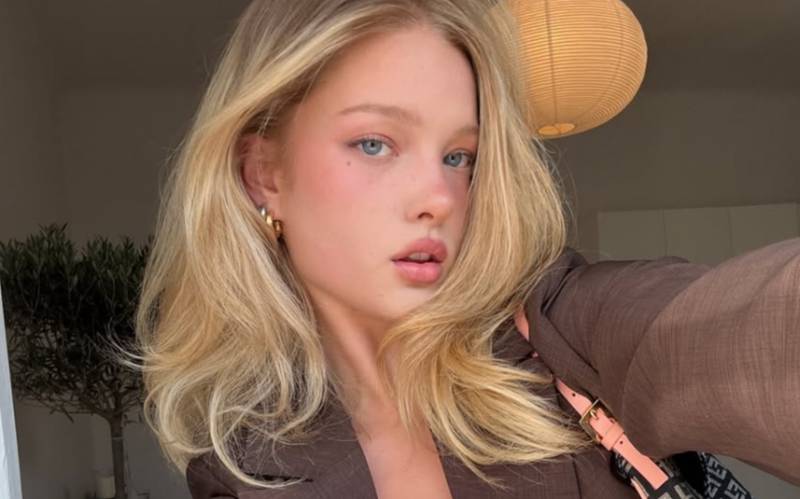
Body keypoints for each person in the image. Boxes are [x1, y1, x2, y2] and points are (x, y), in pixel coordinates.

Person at [131, 0, 800, 497]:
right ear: (265, 175)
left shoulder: (558, 328)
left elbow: (736, 329)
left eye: (459, 155)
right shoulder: (242, 471)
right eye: (375, 143)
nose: (440, 197)